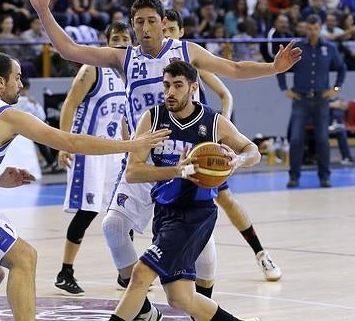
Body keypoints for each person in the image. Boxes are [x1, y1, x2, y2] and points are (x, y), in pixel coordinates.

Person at [26, 0, 298, 297]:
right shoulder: (123, 57)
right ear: (132, 25)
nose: (144, 28)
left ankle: (201, 302)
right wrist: (44, 11)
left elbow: (234, 68)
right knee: (113, 226)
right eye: (138, 22)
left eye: (151, 21)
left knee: (205, 264)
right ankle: (139, 300)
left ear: (162, 22)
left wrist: (273, 68)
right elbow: (68, 48)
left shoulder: (185, 50)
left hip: (185, 156)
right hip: (143, 159)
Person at [0, 52, 170, 321]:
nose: (21, 85)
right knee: (24, 258)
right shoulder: (6, 114)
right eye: (17, 78)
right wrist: (131, 145)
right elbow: (69, 142)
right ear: (1, 82)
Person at [110, 60, 261, 321]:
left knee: (141, 274)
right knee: (181, 297)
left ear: (193, 88)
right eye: (166, 85)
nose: (170, 92)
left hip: (195, 214)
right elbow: (133, 172)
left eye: (178, 86)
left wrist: (238, 161)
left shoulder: (212, 122)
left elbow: (253, 151)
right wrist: (177, 171)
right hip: (165, 212)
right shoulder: (153, 118)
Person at [163, 9, 282, 284]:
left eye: (171, 30)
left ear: (181, 33)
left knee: (225, 199)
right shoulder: (156, 70)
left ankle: (261, 253)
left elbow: (226, 95)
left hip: (201, 139)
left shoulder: (193, 64)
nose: (166, 35)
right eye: (163, 29)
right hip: (168, 145)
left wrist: (221, 127)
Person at [53, 21, 132, 296]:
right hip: (87, 151)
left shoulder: (129, 74)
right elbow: (70, 104)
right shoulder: (92, 68)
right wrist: (63, 144)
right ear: (106, 42)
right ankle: (65, 271)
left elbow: (122, 118)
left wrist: (131, 147)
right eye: (116, 38)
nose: (121, 42)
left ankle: (126, 274)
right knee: (87, 212)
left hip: (115, 153)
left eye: (125, 38)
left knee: (123, 211)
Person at [278, 14, 347, 188]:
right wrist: (284, 89)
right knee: (296, 138)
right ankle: (294, 176)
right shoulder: (298, 47)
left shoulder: (329, 48)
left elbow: (342, 68)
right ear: (305, 29)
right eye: (310, 28)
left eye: (316, 28)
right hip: (300, 98)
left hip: (321, 99)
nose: (313, 32)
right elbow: (280, 67)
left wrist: (336, 89)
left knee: (323, 138)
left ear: (320, 28)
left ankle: (325, 176)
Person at [14, 76, 62, 174]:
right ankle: (51, 161)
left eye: (26, 89)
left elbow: (42, 116)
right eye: (23, 89)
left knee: (40, 137)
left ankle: (51, 161)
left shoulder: (28, 101)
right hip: (14, 130)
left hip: (24, 130)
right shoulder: (15, 100)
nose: (24, 92)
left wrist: (35, 104)